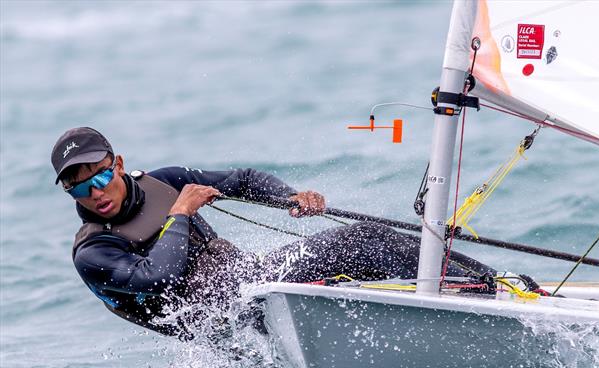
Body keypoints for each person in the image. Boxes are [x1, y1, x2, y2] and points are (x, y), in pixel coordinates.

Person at [53, 127, 498, 337]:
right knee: (354, 243)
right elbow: (158, 278)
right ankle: (472, 289)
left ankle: (485, 287)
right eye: (78, 185)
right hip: (226, 316)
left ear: (119, 164)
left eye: (99, 176)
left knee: (367, 240)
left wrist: (290, 196)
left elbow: (243, 179)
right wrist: (183, 213)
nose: (95, 192)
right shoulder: (94, 251)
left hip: (250, 281)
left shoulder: (163, 182)